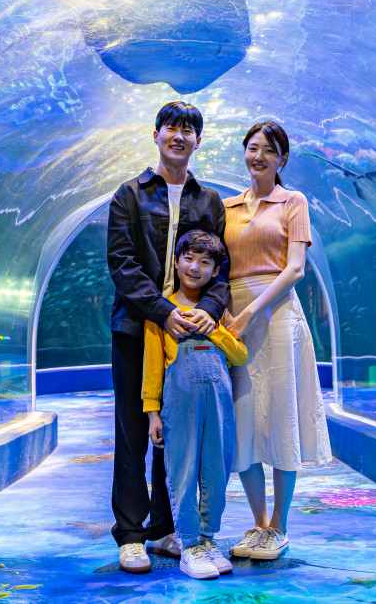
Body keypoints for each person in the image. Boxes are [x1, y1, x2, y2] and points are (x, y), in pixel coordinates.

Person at [106, 101, 229, 574]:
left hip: (189, 333)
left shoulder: (209, 201)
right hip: (136, 328)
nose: (179, 136)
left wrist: (205, 313)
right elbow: (122, 264)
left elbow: (221, 269)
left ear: (198, 140)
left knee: (175, 432)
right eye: (171, 128)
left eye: (188, 130)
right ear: (155, 134)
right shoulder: (129, 194)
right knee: (133, 430)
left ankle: (163, 529)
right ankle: (130, 534)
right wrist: (163, 311)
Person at [222, 120, 331, 561]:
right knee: (243, 421)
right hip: (233, 321)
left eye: (269, 149)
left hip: (279, 316)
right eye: (253, 147)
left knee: (282, 418)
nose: (259, 156)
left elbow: (295, 268)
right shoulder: (225, 207)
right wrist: (226, 313)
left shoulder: (293, 201)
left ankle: (280, 527)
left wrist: (252, 310)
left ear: (282, 158)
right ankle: (259, 523)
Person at [143, 230, 248, 579]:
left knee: (217, 469)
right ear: (176, 262)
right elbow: (152, 368)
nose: (194, 267)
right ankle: (188, 544)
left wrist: (214, 327)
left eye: (205, 262)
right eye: (188, 258)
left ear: (215, 271)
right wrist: (152, 413)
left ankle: (208, 540)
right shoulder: (162, 313)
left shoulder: (217, 311)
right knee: (182, 471)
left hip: (218, 407)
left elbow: (239, 354)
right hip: (179, 406)